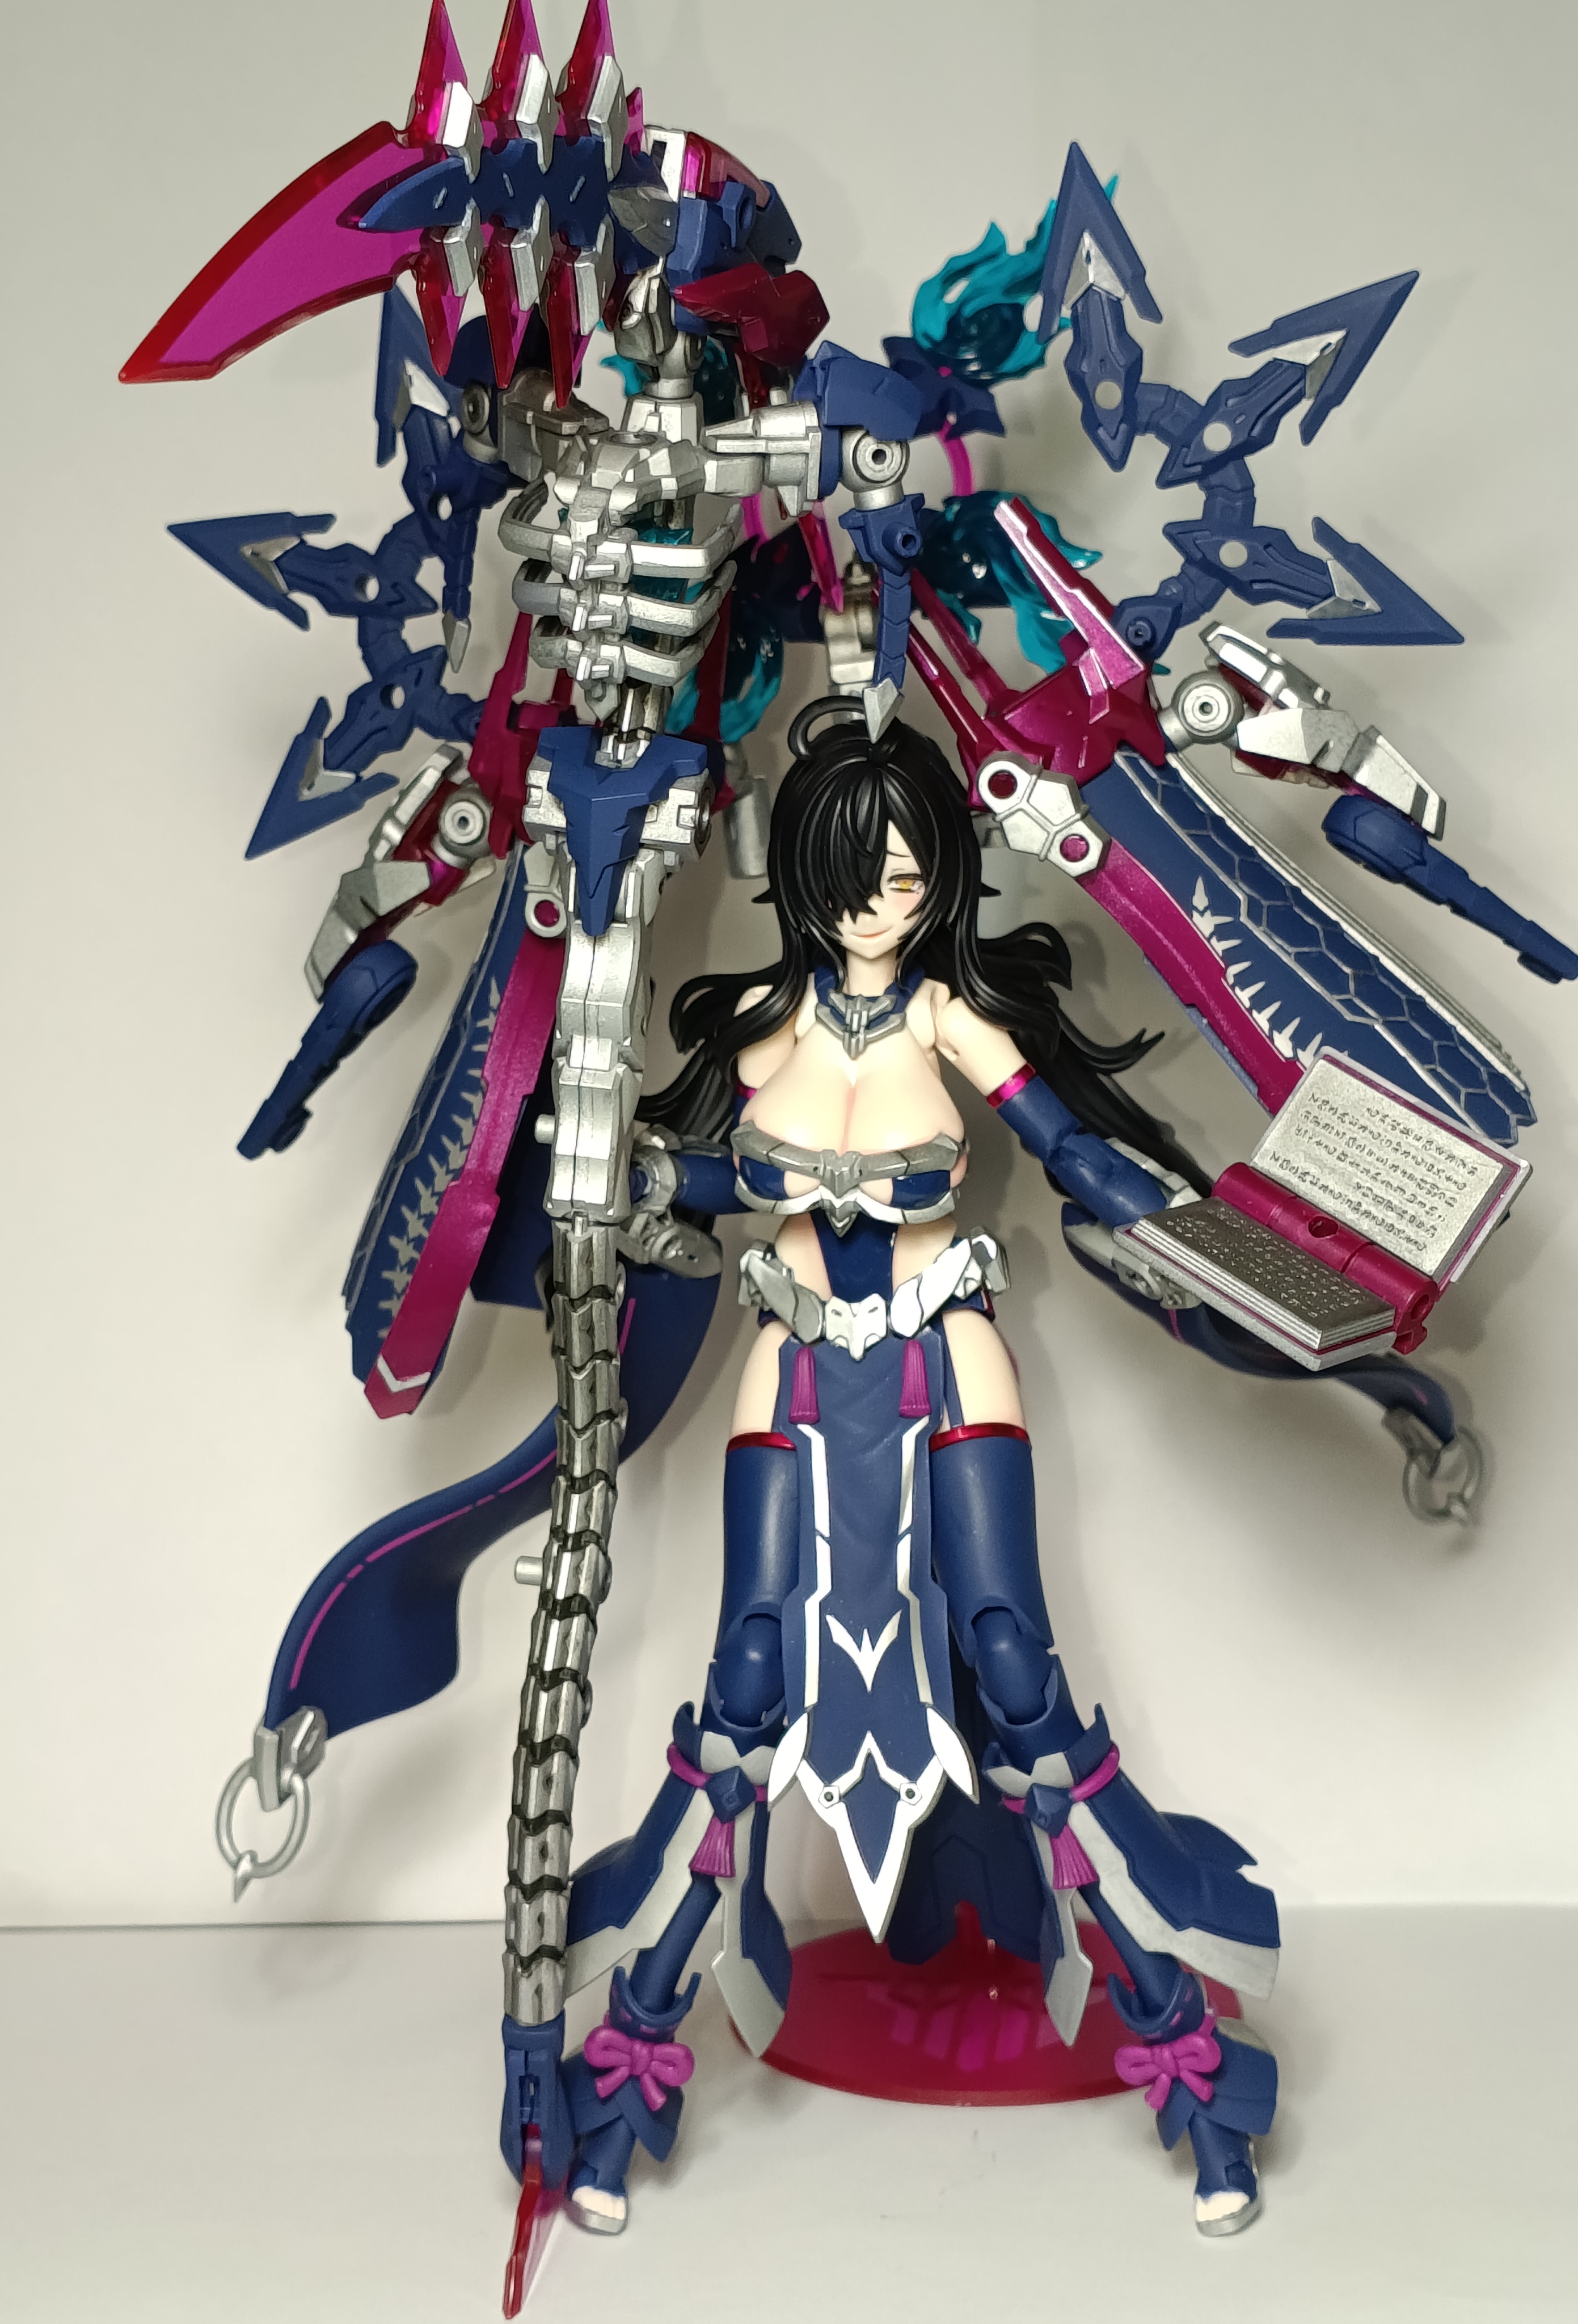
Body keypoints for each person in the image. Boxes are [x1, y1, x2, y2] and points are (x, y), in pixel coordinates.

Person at [559, 702, 1281, 2237]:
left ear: (942, 872)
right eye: (852, 872)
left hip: (945, 1352)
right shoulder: (763, 1024)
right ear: (801, 873)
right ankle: (627, 2071)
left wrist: (1220, 1247)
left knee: (1016, 1675)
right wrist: (612, 1172)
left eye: (906, 872)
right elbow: (704, 1175)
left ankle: (1185, 2058)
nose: (880, 901)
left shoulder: (952, 1019)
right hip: (793, 1358)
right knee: (745, 1687)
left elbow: (1071, 1150)